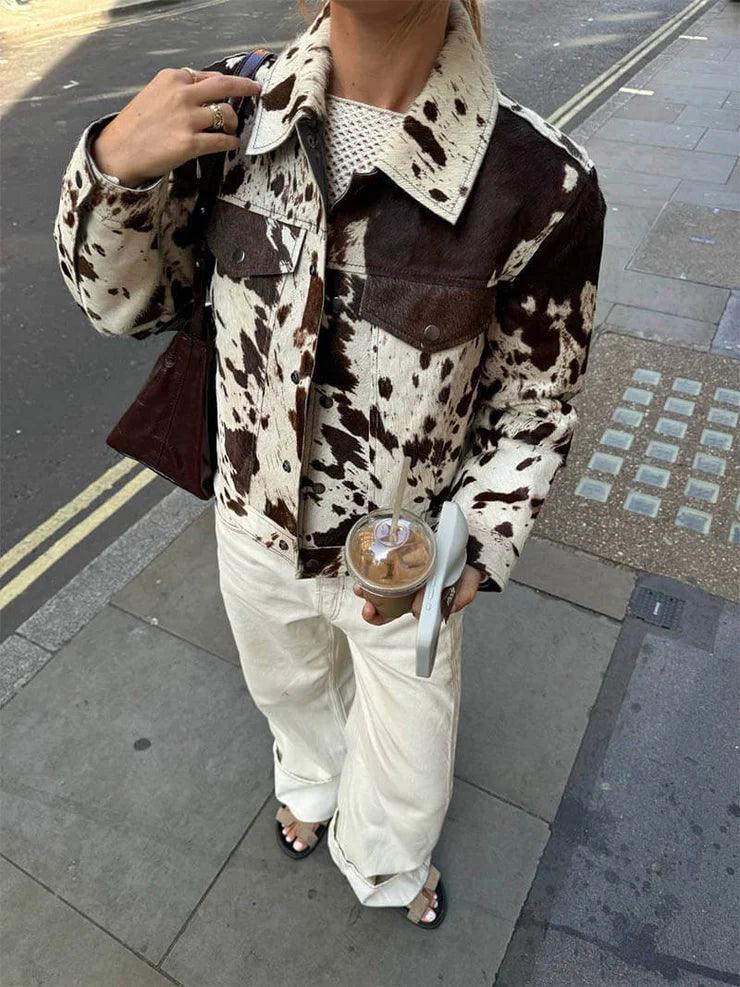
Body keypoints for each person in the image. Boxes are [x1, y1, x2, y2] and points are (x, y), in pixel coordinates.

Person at [53, 0, 606, 929]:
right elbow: (124, 307)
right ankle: (310, 782)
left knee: (411, 753)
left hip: (405, 567)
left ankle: (386, 860)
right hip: (251, 524)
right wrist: (112, 170)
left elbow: (535, 407)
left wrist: (479, 539)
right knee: (290, 690)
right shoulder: (229, 114)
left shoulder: (540, 183)